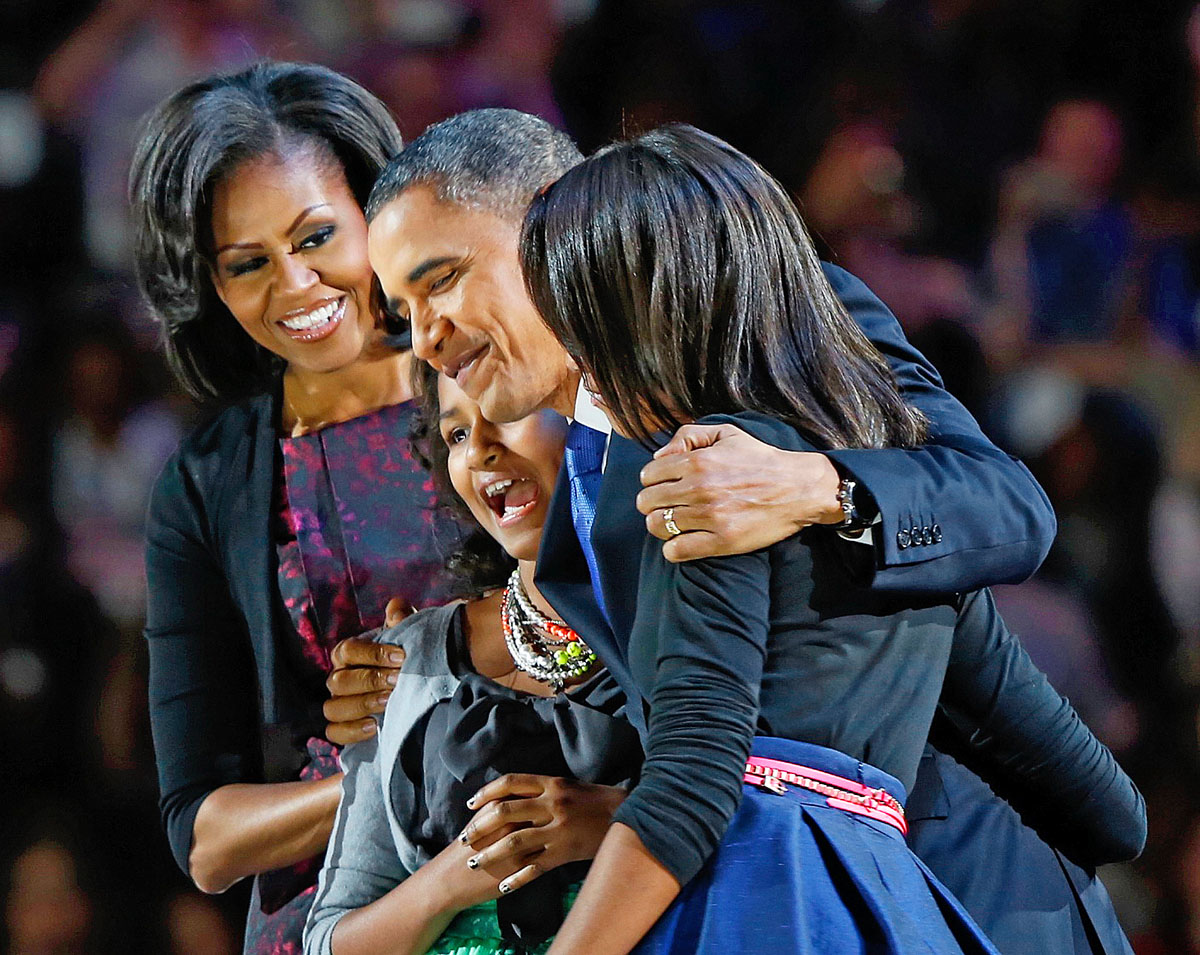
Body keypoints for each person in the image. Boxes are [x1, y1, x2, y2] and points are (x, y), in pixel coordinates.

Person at [350, 108, 1138, 954]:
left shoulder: (773, 343)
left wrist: (810, 484)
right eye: (402, 308)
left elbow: (1007, 506)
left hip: (952, 884)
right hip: (789, 883)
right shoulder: (589, 462)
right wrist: (451, 657)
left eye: (442, 280)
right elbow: (700, 735)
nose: (423, 336)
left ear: (551, 216)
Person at [131, 62, 466, 951]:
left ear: (373, 208)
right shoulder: (206, 482)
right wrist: (396, 777)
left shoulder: (495, 375)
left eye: (317, 236)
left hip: (542, 844)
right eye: (248, 263)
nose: (295, 287)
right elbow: (205, 835)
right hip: (328, 912)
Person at [306, 366, 641, 955]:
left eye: (506, 413)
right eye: (457, 435)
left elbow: (797, 820)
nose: (482, 450)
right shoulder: (406, 657)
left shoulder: (686, 621)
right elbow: (329, 939)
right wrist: (452, 877)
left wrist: (621, 822)